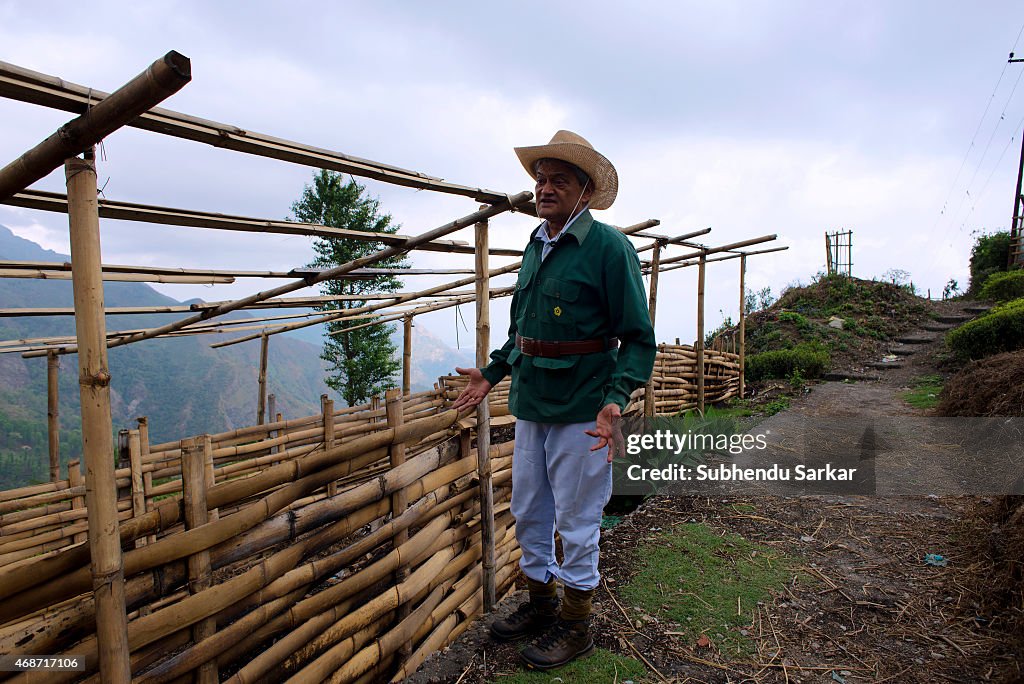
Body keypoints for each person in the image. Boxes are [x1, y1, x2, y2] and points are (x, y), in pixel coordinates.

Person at [452, 130, 657, 670]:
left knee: (578, 517)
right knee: (529, 509)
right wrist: (493, 373)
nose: (543, 188)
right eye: (541, 179)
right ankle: (541, 604)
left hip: (584, 409)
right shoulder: (536, 245)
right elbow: (524, 328)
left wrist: (616, 399)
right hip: (533, 403)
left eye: (557, 181)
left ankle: (575, 624)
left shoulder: (609, 248)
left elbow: (637, 337)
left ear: (584, 191)